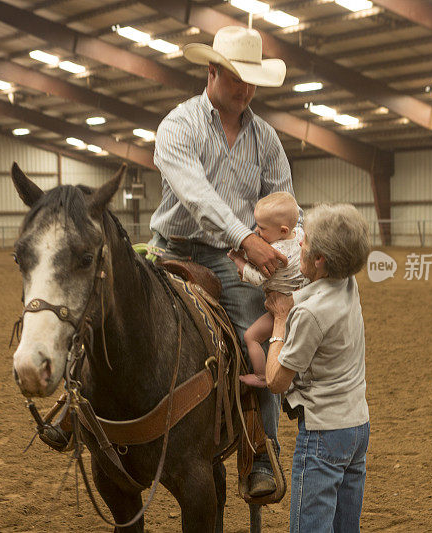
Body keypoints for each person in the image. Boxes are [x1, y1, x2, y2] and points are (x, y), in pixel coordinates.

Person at [149, 25, 293, 497]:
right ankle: (78, 411)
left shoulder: (267, 140)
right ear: (211, 71)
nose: (246, 89)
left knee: (259, 331)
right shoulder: (179, 125)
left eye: (252, 81)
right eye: (236, 78)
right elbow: (195, 195)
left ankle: (259, 450)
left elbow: (284, 202)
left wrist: (287, 251)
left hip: (231, 257)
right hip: (172, 246)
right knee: (103, 306)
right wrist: (246, 238)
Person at [264, 203, 371, 532]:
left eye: (305, 242)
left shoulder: (310, 316)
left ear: (320, 259)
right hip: (356, 425)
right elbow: (313, 292)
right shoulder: (348, 283)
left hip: (324, 433)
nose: (299, 244)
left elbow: (276, 381)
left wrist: (280, 322)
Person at [227, 192, 306, 388]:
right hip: (300, 301)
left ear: (282, 230)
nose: (256, 231)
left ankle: (262, 375)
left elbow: (256, 277)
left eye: (262, 228)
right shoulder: (300, 235)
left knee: (251, 336)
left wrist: (239, 260)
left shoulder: (275, 253)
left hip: (281, 308)